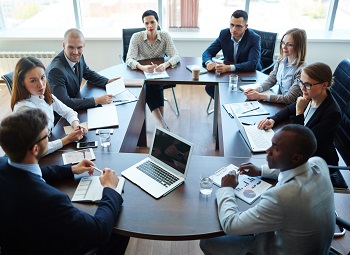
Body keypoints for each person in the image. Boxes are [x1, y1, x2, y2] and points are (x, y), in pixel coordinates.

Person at [0, 108, 129, 255]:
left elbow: (30, 173)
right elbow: (99, 231)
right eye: (46, 135)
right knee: (119, 233)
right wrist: (110, 188)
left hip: (14, 244)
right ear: (35, 149)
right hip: (50, 247)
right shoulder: (50, 200)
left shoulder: (3, 164)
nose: (48, 137)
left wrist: (71, 169)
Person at [200, 124, 335, 255]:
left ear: (295, 158)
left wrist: (227, 189)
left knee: (207, 243)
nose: (267, 150)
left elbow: (230, 225)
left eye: (275, 149)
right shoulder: (318, 163)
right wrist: (261, 170)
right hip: (316, 247)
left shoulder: (282, 197)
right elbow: (295, 168)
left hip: (277, 248)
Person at [257, 62, 341, 168]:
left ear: (324, 85)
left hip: (318, 163)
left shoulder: (332, 113)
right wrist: (273, 120)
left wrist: (299, 112)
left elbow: (302, 143)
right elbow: (288, 110)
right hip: (301, 156)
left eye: (307, 84)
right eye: (301, 82)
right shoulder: (312, 94)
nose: (302, 88)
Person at [10, 56, 86, 155]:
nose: (41, 84)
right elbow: (38, 149)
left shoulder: (43, 95)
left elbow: (68, 111)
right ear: (22, 82)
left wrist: (76, 126)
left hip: (50, 142)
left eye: (42, 77)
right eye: (33, 80)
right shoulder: (24, 109)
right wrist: (68, 139)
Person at [126, 10, 180, 130]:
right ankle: (161, 124)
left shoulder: (164, 35)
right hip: (141, 73)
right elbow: (129, 59)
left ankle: (161, 124)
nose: (149, 26)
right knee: (151, 85)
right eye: (146, 23)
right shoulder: (137, 37)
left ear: (158, 22)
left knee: (154, 84)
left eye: (152, 22)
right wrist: (142, 67)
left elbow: (176, 56)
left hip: (159, 72)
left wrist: (165, 65)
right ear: (143, 24)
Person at [46, 28, 120, 110]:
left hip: (76, 101)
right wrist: (96, 100)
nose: (75, 52)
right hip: (62, 115)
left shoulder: (79, 57)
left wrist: (107, 81)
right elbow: (64, 103)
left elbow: (88, 73)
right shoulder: (56, 71)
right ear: (63, 45)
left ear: (83, 46)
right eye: (71, 47)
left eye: (79, 47)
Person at [202, 10, 261, 99]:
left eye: (238, 26)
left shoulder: (254, 38)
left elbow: (252, 64)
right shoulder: (224, 34)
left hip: (248, 74)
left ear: (246, 27)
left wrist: (229, 68)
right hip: (228, 75)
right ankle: (224, 107)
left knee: (242, 95)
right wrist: (209, 62)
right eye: (232, 25)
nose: (234, 29)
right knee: (210, 87)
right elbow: (207, 52)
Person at [244, 28, 307, 104]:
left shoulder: (302, 70)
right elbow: (272, 79)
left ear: (299, 47)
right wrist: (257, 89)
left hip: (291, 106)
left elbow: (289, 98)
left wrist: (260, 96)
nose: (284, 47)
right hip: (279, 101)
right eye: (283, 43)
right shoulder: (281, 60)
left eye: (289, 45)